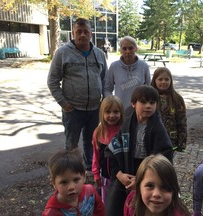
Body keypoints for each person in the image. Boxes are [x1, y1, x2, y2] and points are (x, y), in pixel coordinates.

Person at [47, 18, 108, 172]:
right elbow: (53, 81)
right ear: (73, 33)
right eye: (78, 32)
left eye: (85, 31)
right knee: (71, 144)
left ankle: (89, 170)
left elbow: (105, 80)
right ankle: (72, 173)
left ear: (91, 33)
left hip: (94, 109)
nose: (82, 35)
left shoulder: (99, 54)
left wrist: (104, 102)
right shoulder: (62, 53)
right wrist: (63, 103)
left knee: (91, 141)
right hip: (72, 110)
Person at [104, 85, 173, 216]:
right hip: (125, 173)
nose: (148, 106)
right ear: (133, 103)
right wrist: (119, 175)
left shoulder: (158, 129)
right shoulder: (126, 125)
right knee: (114, 208)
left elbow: (165, 155)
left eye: (152, 102)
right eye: (143, 102)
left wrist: (141, 180)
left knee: (141, 210)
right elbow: (112, 150)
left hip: (149, 174)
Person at [42, 149, 105, 215]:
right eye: (64, 182)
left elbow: (100, 210)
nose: (71, 187)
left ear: (84, 177)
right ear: (53, 183)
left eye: (76, 180)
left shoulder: (90, 192)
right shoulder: (51, 213)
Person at [124, 154, 190, 216]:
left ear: (173, 191)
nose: (156, 194)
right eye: (150, 186)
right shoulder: (131, 203)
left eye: (165, 187)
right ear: (139, 187)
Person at [104, 36, 151, 115]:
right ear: (120, 50)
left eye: (131, 48)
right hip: (120, 111)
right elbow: (107, 88)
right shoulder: (114, 66)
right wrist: (112, 102)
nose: (127, 51)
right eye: (124, 48)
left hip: (139, 112)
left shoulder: (144, 66)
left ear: (136, 48)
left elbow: (149, 89)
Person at [92, 95, 124, 204]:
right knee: (106, 202)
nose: (112, 115)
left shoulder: (123, 131)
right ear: (102, 113)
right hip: (105, 177)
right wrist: (96, 173)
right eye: (108, 112)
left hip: (122, 177)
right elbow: (96, 155)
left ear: (121, 113)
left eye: (116, 112)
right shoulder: (98, 132)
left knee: (120, 202)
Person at [151, 67, 187, 152]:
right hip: (152, 140)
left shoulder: (177, 99)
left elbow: (182, 122)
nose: (163, 82)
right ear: (154, 80)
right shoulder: (149, 97)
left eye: (166, 79)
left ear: (171, 81)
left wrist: (181, 142)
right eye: (160, 79)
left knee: (166, 164)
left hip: (170, 141)